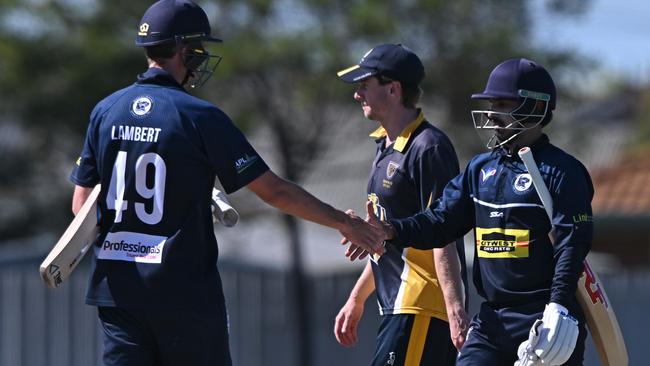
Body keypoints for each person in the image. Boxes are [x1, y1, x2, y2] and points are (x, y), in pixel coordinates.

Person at [68, 1, 384, 365]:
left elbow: (82, 205)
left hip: (117, 289)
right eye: (198, 47)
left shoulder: (106, 111)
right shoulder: (200, 117)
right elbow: (275, 191)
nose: (201, 56)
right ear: (183, 49)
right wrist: (345, 222)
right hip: (180, 288)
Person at [345, 58, 593, 365]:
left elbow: (572, 246)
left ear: (534, 107)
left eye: (502, 103)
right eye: (490, 103)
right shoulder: (480, 168)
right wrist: (392, 230)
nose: (490, 113)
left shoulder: (564, 171)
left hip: (544, 317)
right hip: (493, 320)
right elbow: (440, 221)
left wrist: (558, 306)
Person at [333, 44, 470, 366]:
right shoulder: (385, 145)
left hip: (421, 304)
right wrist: (356, 298)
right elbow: (392, 239)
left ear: (393, 89)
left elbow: (444, 233)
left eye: (364, 85)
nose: (357, 95)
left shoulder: (429, 147)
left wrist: (456, 311)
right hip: (398, 303)